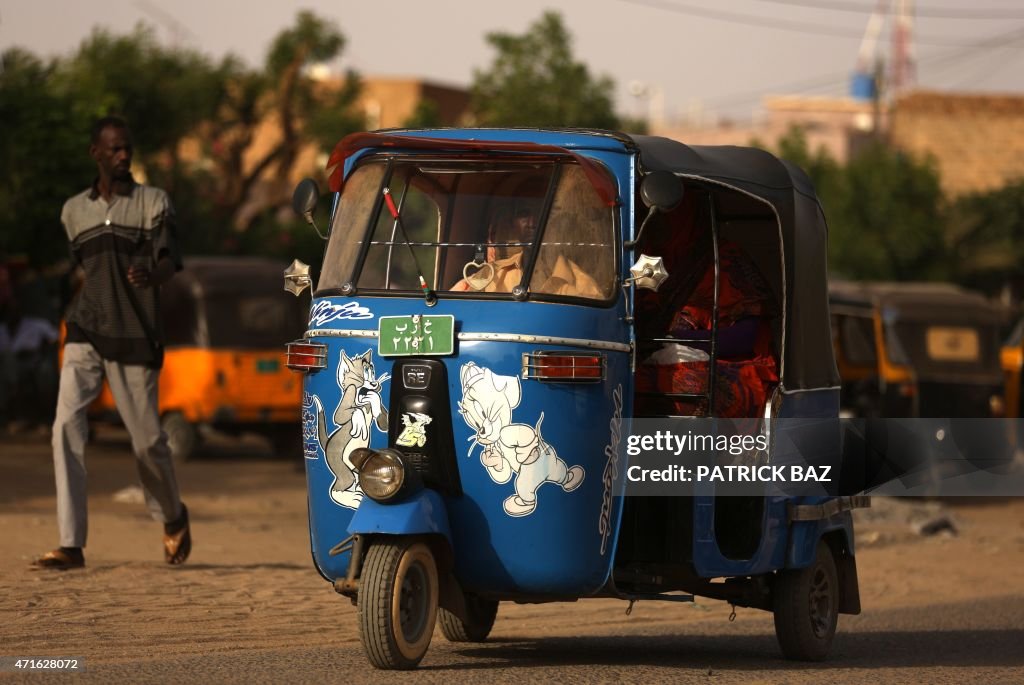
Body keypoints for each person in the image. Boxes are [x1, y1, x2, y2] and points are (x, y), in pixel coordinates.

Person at [32, 116, 191, 570]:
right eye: (115, 149)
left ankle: (173, 516)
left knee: (147, 443)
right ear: (96, 154)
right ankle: (71, 543)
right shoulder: (72, 212)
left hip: (135, 333)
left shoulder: (153, 202)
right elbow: (80, 269)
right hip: (86, 330)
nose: (124, 156)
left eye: (128, 149)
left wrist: (151, 276)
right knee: (65, 426)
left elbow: (169, 261)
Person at [635, 192, 778, 418]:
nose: (657, 222)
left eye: (668, 214)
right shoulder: (644, 261)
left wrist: (682, 343)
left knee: (682, 382)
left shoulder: (725, 258)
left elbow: (746, 337)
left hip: (727, 364)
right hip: (653, 359)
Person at [451, 194, 602, 298]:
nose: (532, 223)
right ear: (512, 224)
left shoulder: (584, 287)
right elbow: (454, 305)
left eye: (540, 214)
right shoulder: (492, 275)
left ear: (552, 222)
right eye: (524, 214)